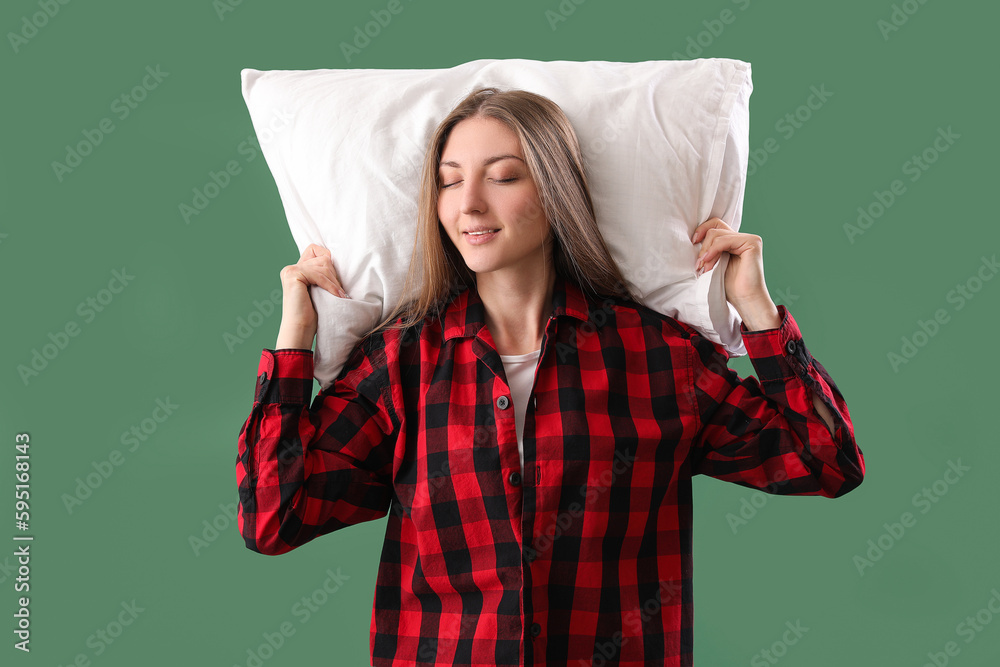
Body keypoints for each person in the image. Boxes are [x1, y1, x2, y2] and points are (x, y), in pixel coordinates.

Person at [236, 86, 865, 667]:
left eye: (503, 176)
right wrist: (295, 340)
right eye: (450, 182)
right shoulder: (401, 363)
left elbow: (827, 463)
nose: (471, 204)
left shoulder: (658, 356)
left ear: (554, 191)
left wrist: (756, 310)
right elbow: (272, 518)